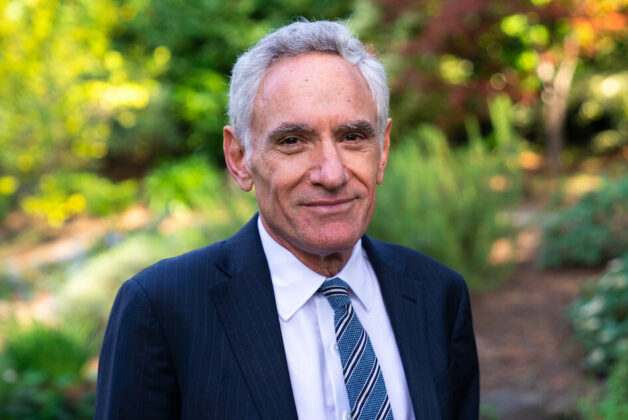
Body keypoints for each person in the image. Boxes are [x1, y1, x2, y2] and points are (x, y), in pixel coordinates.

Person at [95, 20, 479, 420]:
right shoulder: (163, 310)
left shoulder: (438, 296)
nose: (332, 174)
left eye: (352, 137)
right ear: (239, 158)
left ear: (382, 150)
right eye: (293, 141)